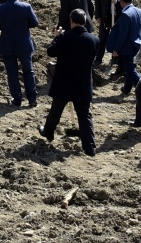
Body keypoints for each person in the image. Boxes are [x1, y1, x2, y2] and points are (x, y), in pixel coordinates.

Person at [40, 9, 101, 157]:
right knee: (85, 115)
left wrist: (57, 38)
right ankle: (90, 148)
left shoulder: (66, 37)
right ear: (85, 21)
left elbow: (51, 52)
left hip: (64, 81)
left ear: (71, 21)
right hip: (83, 82)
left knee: (56, 110)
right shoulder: (94, 40)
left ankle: (48, 132)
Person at [0, 0, 40, 106]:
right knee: (28, 71)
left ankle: (17, 99)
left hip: (7, 44)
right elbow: (35, 23)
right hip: (24, 44)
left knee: (12, 73)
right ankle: (32, 99)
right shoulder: (26, 7)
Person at [106, 0, 141, 99]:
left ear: (121, 2)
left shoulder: (126, 14)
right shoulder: (139, 11)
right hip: (137, 44)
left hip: (128, 47)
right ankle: (126, 89)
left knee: (130, 70)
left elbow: (122, 34)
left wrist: (116, 49)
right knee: (131, 69)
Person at [94, 0, 133, 66]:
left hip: (119, 17)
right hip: (107, 17)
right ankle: (98, 59)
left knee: (117, 39)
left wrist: (118, 1)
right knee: (102, 38)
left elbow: (130, 1)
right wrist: (98, 15)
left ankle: (115, 60)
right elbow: (99, 2)